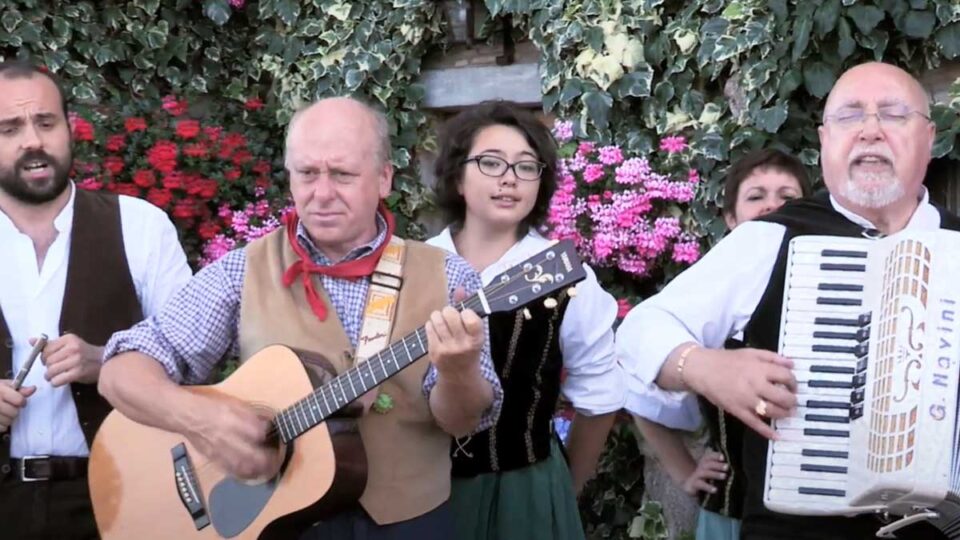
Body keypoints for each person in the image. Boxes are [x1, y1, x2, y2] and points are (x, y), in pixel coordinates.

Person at [98, 96, 503, 540]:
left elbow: (462, 421)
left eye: (342, 174)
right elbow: (120, 373)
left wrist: (458, 371)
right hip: (279, 527)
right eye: (307, 173)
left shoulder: (449, 277)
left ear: (384, 178)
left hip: (410, 525)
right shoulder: (242, 271)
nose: (322, 193)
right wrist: (203, 421)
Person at [616, 61, 959, 540]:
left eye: (893, 114)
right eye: (850, 116)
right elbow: (639, 330)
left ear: (929, 136)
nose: (870, 131)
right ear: (825, 140)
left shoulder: (954, 245)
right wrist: (704, 367)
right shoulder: (770, 238)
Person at [0, 60, 192, 539]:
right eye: (10, 128)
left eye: (46, 123)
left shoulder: (141, 227)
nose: (32, 141)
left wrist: (111, 362)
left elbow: (194, 361)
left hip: (122, 499)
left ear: (69, 128)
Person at [427, 100, 625, 540]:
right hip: (420, 491)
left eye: (526, 166)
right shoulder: (416, 265)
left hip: (525, 494)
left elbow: (599, 395)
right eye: (491, 162)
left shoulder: (565, 275)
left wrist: (561, 490)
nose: (509, 178)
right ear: (457, 177)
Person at [629, 149, 812, 540]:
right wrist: (684, 470)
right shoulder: (708, 300)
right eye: (756, 196)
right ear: (731, 218)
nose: (772, 206)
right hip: (734, 516)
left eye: (787, 197)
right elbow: (635, 383)